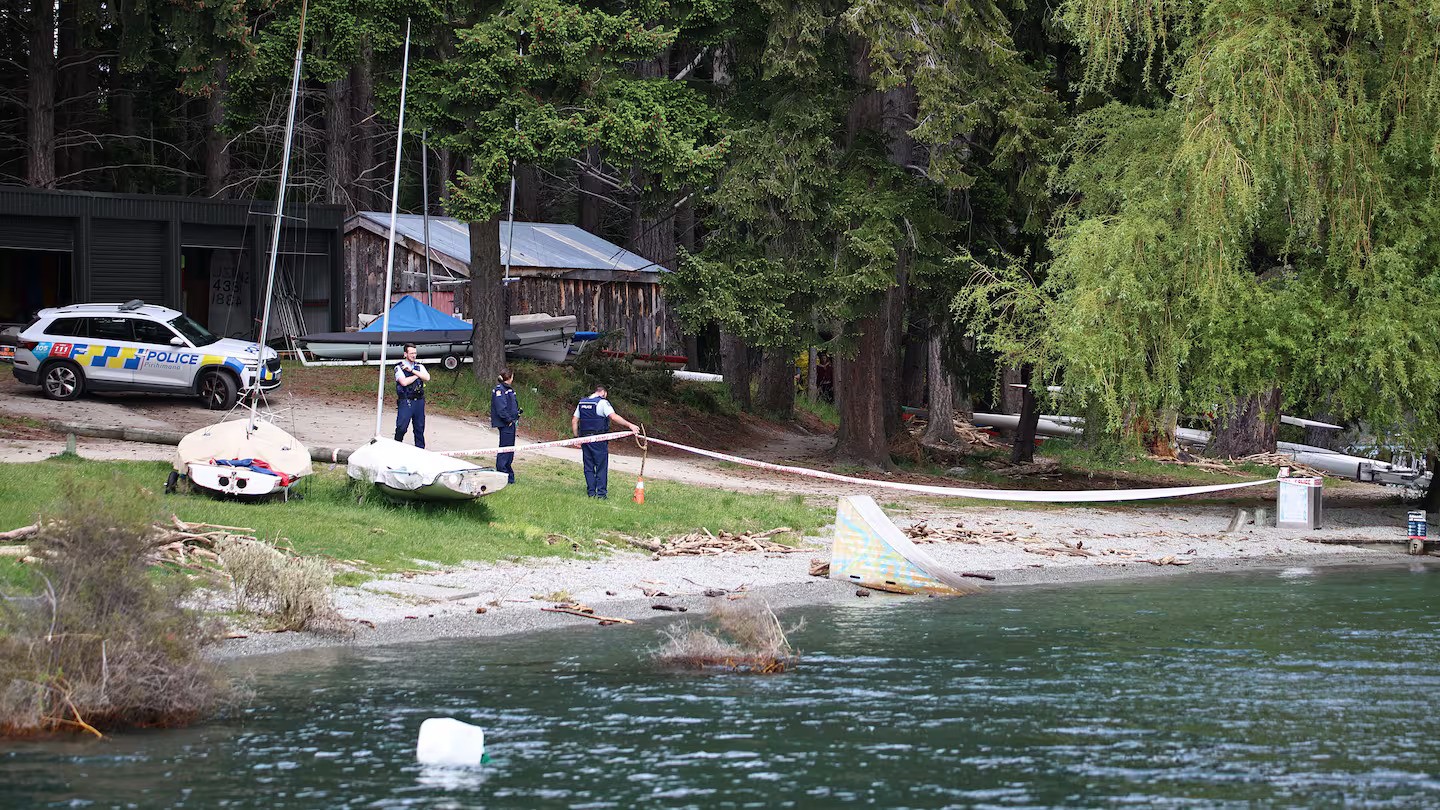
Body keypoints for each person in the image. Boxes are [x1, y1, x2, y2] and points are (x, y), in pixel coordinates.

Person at [571, 384, 639, 499]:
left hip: (585, 438)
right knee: (601, 466)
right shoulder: (602, 402)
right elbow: (613, 417)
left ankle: (591, 492)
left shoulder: (582, 402)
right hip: (599, 439)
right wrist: (629, 425)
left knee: (588, 466)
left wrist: (577, 437)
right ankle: (601, 494)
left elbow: (574, 420)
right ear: (604, 393)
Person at [394, 343, 429, 448]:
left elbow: (427, 377)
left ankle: (420, 450)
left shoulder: (419, 366)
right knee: (401, 427)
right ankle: (396, 447)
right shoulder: (399, 367)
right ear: (405, 354)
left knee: (419, 427)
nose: (414, 355)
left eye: (415, 353)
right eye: (411, 353)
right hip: (406, 400)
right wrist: (417, 375)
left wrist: (413, 372)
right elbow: (403, 382)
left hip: (419, 401)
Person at [490, 368, 521, 484]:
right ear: (510, 377)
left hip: (511, 423)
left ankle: (509, 475)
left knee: (510, 450)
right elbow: (501, 409)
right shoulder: (500, 390)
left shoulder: (509, 390)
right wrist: (508, 420)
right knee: (505, 449)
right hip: (506, 424)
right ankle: (502, 473)